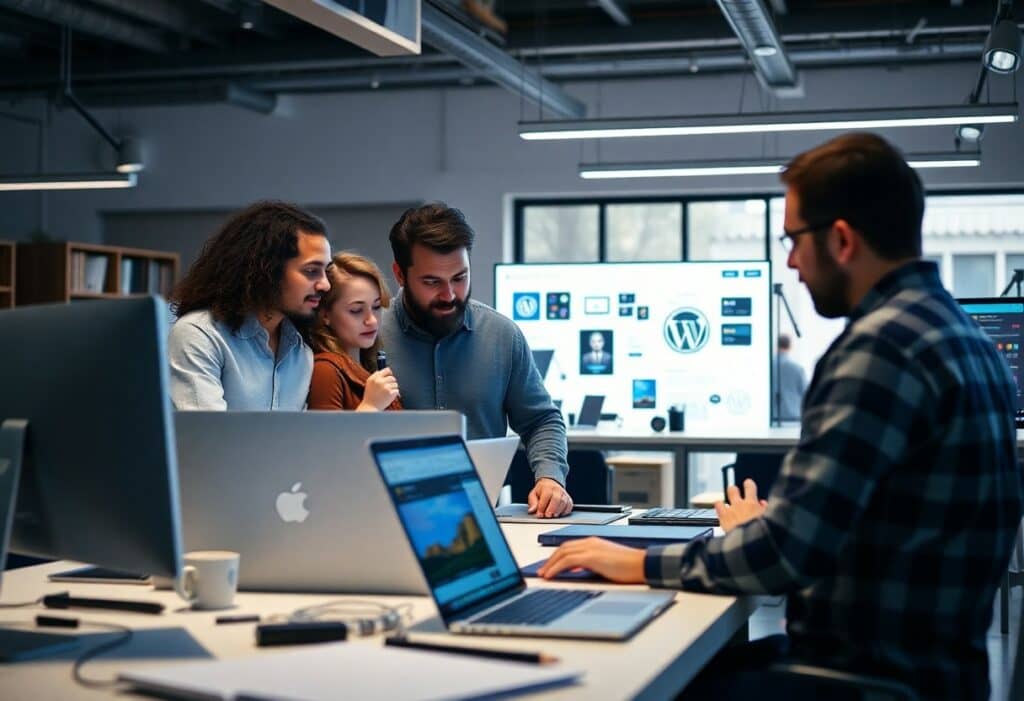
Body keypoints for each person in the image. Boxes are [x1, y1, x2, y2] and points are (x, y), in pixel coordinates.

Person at [538, 133, 1022, 700]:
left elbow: (784, 558)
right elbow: (871, 530)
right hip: (940, 675)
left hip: (861, 680)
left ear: (841, 239)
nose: (790, 262)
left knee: (628, 683)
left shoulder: (879, 350)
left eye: (794, 240)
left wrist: (635, 562)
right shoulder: (967, 341)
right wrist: (767, 533)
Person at [379, 203, 573, 518]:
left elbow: (541, 420)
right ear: (400, 274)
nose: (449, 294)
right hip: (383, 520)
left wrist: (550, 477)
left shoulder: (502, 335)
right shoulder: (368, 336)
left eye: (459, 277)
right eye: (432, 282)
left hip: (478, 523)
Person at [168, 201, 331, 411]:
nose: (325, 284)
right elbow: (208, 438)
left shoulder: (300, 351)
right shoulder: (199, 335)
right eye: (311, 271)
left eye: (327, 270)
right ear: (268, 269)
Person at [307, 252, 402, 411]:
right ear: (325, 314)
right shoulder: (325, 370)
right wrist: (371, 406)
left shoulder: (368, 366)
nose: (371, 320)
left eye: (377, 307)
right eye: (356, 310)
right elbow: (325, 436)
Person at [774, 333, 806, 421]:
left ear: (776, 345)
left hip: (772, 417)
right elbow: (805, 393)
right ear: (790, 346)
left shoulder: (767, 368)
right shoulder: (797, 369)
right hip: (793, 416)